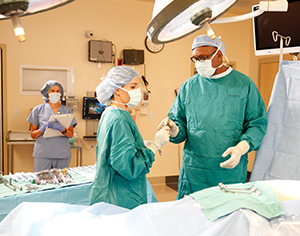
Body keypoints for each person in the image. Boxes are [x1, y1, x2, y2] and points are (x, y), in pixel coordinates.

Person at [158, 35, 268, 199]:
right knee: (192, 216)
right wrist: (174, 130)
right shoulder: (189, 87)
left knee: (227, 216)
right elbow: (180, 125)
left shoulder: (244, 84)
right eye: (195, 58)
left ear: (219, 55)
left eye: (203, 57)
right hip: (195, 171)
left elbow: (257, 124)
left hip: (229, 170)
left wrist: (242, 148)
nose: (198, 63)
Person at [90, 66, 170, 209]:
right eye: (133, 86)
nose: (137, 91)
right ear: (117, 90)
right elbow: (128, 167)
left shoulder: (110, 113)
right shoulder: (119, 119)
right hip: (121, 196)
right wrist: (155, 145)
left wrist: (140, 145)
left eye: (138, 86)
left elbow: (116, 148)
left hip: (112, 189)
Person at [27, 80, 77, 172]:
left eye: (58, 91)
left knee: (61, 182)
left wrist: (62, 129)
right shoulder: (38, 110)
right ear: (47, 93)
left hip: (62, 154)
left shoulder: (67, 110)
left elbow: (70, 135)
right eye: (52, 91)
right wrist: (42, 129)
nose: (55, 93)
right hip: (43, 154)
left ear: (61, 94)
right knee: (42, 182)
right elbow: (33, 135)